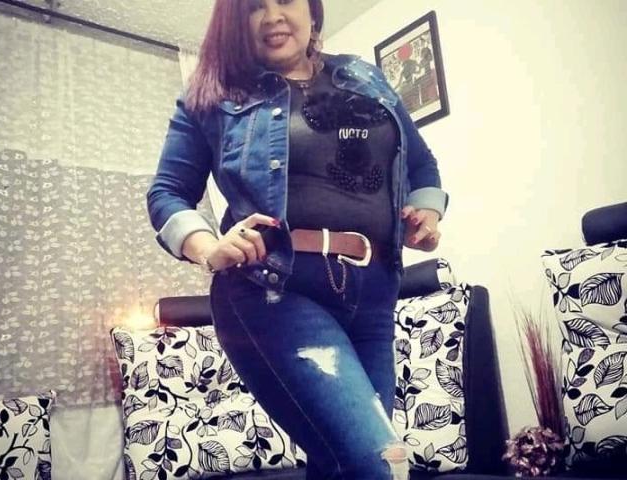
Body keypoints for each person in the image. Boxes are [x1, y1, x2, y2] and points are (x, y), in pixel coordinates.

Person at [147, 0, 448, 478]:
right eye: (254, 7)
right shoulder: (213, 96)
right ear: (236, 21)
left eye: (285, 0)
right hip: (275, 289)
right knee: (377, 462)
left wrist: (426, 211)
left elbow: (421, 165)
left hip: (375, 293)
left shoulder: (365, 78)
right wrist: (208, 248)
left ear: (312, 10)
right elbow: (167, 192)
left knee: (337, 464)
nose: (272, 16)